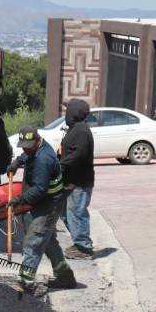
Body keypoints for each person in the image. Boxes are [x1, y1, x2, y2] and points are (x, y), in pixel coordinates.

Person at [8, 126, 75, 294]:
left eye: (28, 145)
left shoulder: (44, 159)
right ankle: (65, 276)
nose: (25, 148)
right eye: (23, 145)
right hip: (44, 202)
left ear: (38, 140)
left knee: (34, 241)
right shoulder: (35, 149)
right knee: (49, 241)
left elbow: (39, 190)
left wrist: (20, 199)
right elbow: (27, 155)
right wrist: (18, 162)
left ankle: (26, 281)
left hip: (49, 205)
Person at [58, 99, 96, 259]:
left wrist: (60, 165)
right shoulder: (75, 129)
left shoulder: (81, 130)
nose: (65, 112)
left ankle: (84, 247)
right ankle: (79, 241)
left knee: (77, 212)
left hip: (79, 181)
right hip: (71, 180)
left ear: (73, 113)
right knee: (65, 213)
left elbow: (78, 155)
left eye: (67, 110)